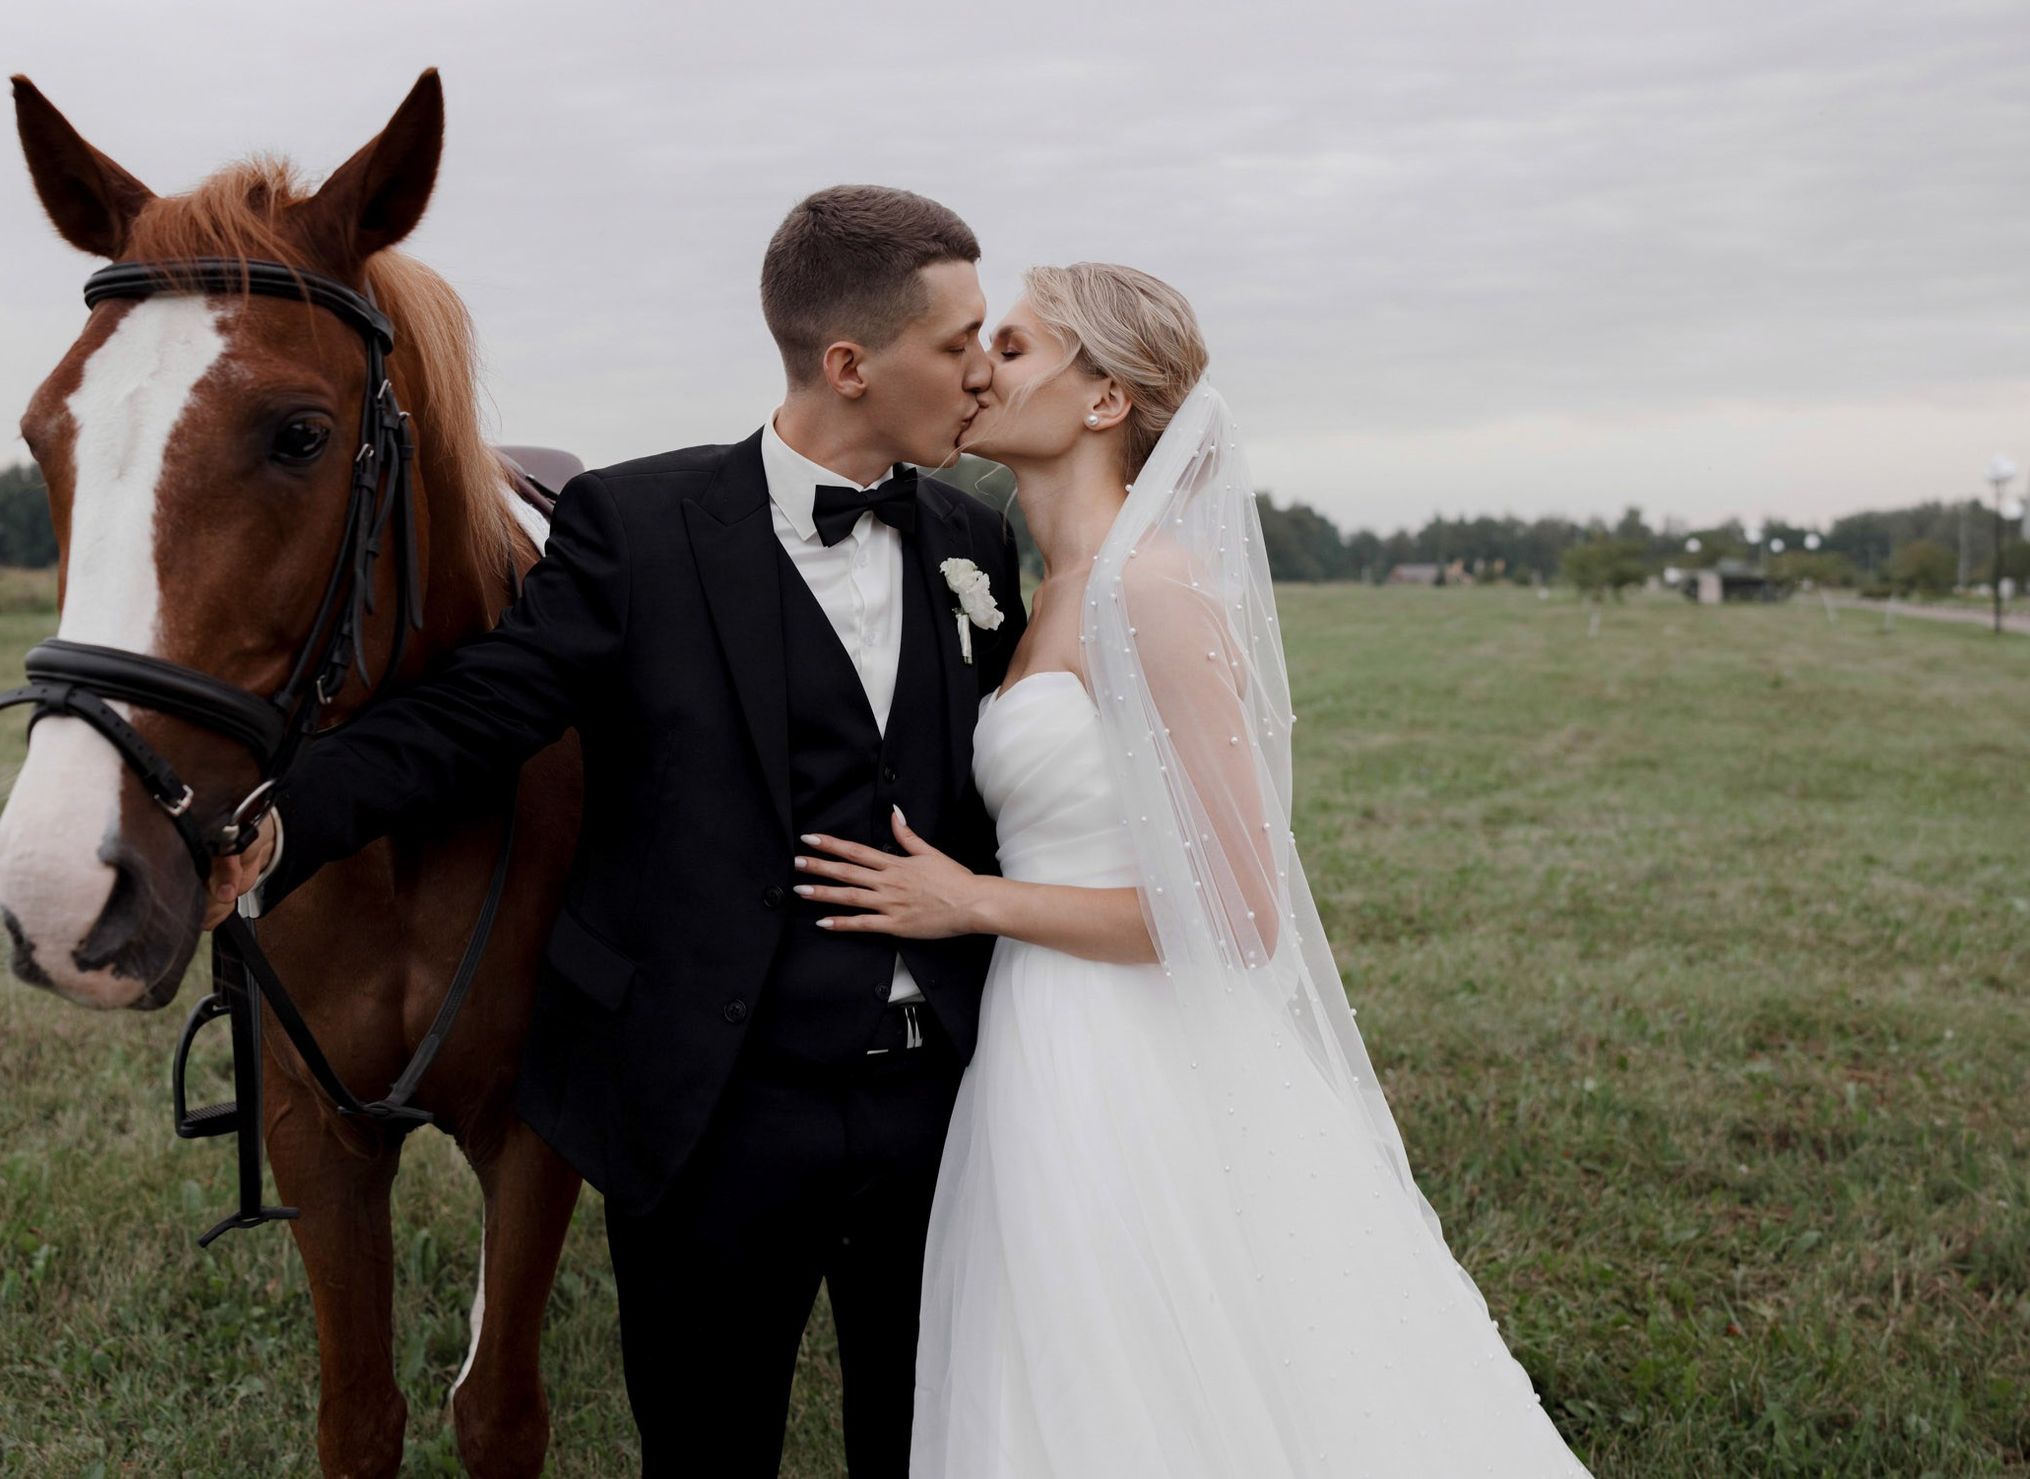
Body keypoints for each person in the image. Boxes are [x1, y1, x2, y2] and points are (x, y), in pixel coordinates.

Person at [209, 186, 1026, 1478]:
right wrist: (286, 818)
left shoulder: (981, 541)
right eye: (960, 340)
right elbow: (484, 708)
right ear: (851, 363)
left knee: (928, 1445)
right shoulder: (640, 527)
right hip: (715, 1109)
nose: (986, 371)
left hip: (943, 1100)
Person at [790, 263, 1592, 1476]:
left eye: (1011, 348)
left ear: (1104, 399)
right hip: (1035, 1036)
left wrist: (971, 902)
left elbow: (1243, 911)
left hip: (1131, 1057)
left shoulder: (1152, 588)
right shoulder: (1041, 588)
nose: (976, 369)